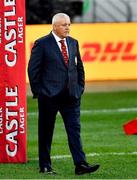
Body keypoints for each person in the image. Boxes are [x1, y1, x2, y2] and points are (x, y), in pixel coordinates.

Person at [28, 13, 100, 175]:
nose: (67, 27)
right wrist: (40, 92)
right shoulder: (42, 44)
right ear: (54, 26)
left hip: (71, 96)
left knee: (74, 130)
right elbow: (33, 70)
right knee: (46, 132)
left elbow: (79, 67)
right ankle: (45, 166)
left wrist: (79, 88)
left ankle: (80, 165)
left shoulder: (73, 43)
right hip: (49, 97)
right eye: (64, 25)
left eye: (68, 24)